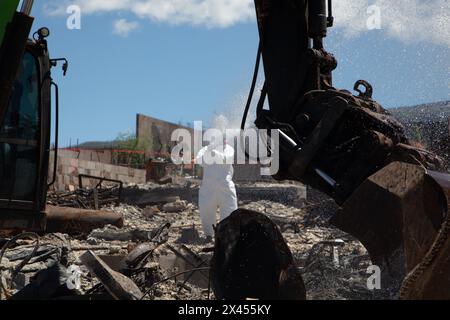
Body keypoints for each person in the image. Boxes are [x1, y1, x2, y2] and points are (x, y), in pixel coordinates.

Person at [196, 140, 238, 241]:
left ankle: (226, 236)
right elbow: (200, 161)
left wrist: (214, 153)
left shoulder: (228, 149)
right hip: (208, 187)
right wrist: (208, 152)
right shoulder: (205, 150)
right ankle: (209, 235)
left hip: (225, 187)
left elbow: (225, 159)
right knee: (207, 211)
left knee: (229, 211)